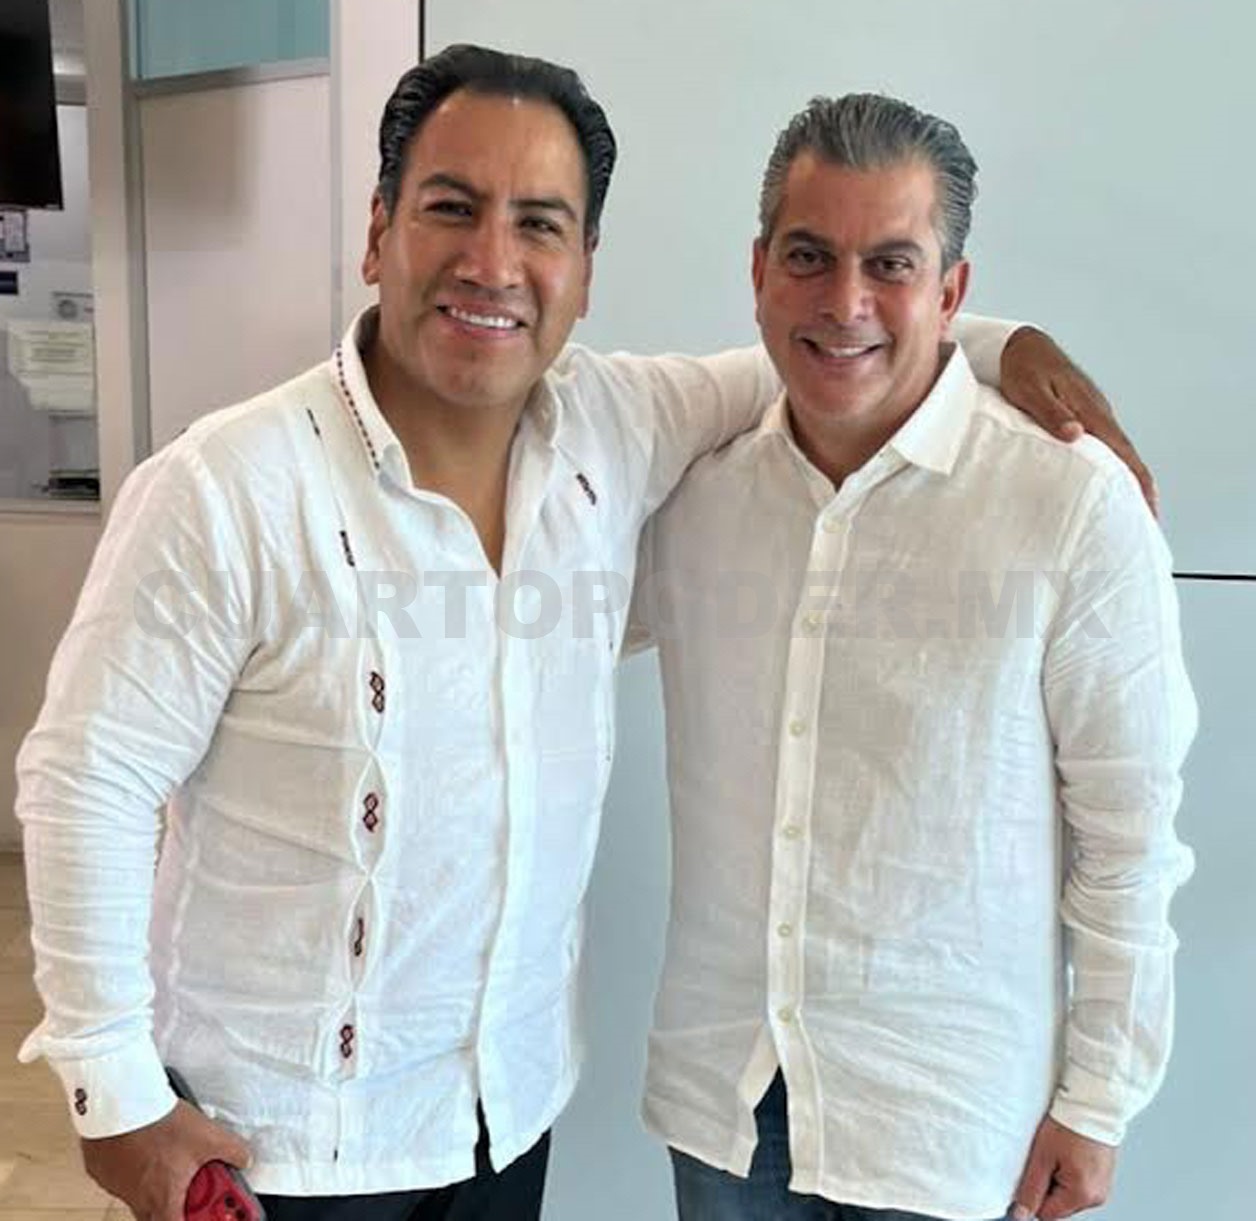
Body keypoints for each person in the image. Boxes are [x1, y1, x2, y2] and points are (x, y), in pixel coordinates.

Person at [16, 48, 1142, 1221]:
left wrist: (997, 341)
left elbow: (833, 344)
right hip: (276, 1147)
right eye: (450, 208)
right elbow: (86, 783)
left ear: (585, 267)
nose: (491, 262)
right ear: (378, 232)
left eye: (539, 224)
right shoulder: (226, 489)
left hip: (503, 1124)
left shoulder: (616, 427)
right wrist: (114, 1092)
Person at [632, 93, 1196, 1221]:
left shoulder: (1068, 503)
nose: (844, 301)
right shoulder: (691, 494)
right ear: (758, 270)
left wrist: (1099, 1099)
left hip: (946, 1126)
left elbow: (1128, 834)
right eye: (809, 256)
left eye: (890, 263)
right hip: (722, 1108)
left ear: (950, 290)